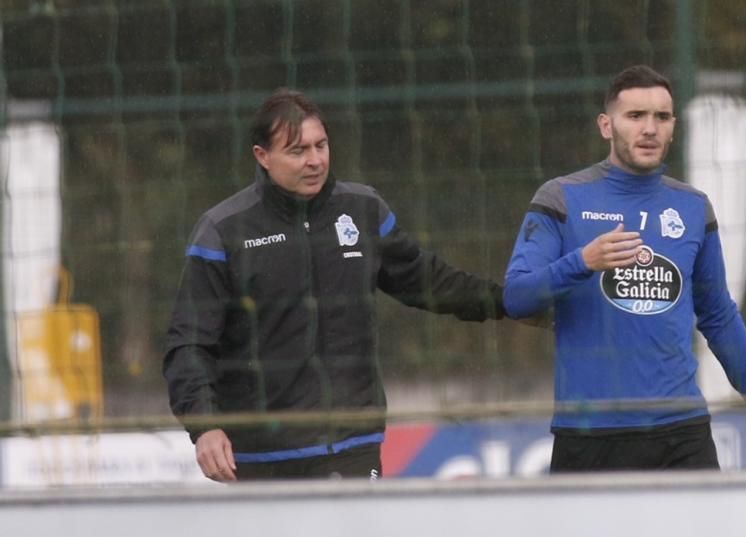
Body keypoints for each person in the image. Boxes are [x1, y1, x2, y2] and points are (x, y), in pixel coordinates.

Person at [163, 88, 507, 482]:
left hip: (353, 444)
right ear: (262, 156)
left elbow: (428, 281)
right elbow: (188, 344)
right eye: (297, 151)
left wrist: (508, 301)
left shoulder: (362, 210)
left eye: (321, 145)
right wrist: (204, 425)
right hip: (263, 453)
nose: (314, 160)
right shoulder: (224, 230)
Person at [503, 65, 746, 472]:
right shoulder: (561, 198)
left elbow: (719, 316)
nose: (650, 128)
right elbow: (516, 296)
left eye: (661, 117)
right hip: (590, 434)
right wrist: (583, 262)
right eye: (635, 116)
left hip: (682, 432)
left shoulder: (693, 207)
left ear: (674, 126)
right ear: (606, 125)